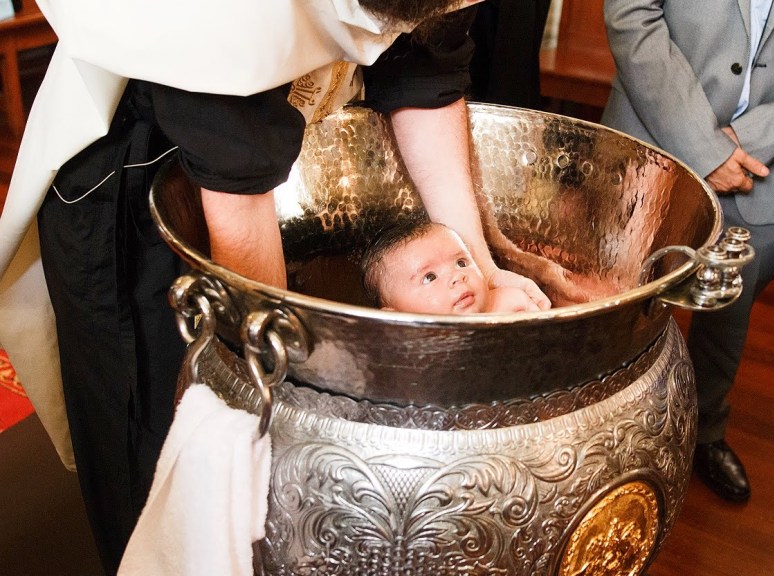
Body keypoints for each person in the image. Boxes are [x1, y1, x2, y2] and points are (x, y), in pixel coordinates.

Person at [0, 2, 549, 574]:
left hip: (266, 151)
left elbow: (424, 75)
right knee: (180, 469)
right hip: (146, 177)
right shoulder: (229, 16)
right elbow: (237, 182)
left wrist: (482, 272)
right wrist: (285, 392)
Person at [601, 0, 774, 502]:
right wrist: (706, 148)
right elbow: (631, 15)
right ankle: (605, 432)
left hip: (769, 158)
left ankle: (703, 430)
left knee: (732, 312)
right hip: (651, 135)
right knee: (620, 305)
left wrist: (759, 136)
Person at [361, 217, 539, 314]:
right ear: (396, 318)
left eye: (461, 263)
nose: (457, 276)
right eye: (430, 277)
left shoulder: (511, 302)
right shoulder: (411, 351)